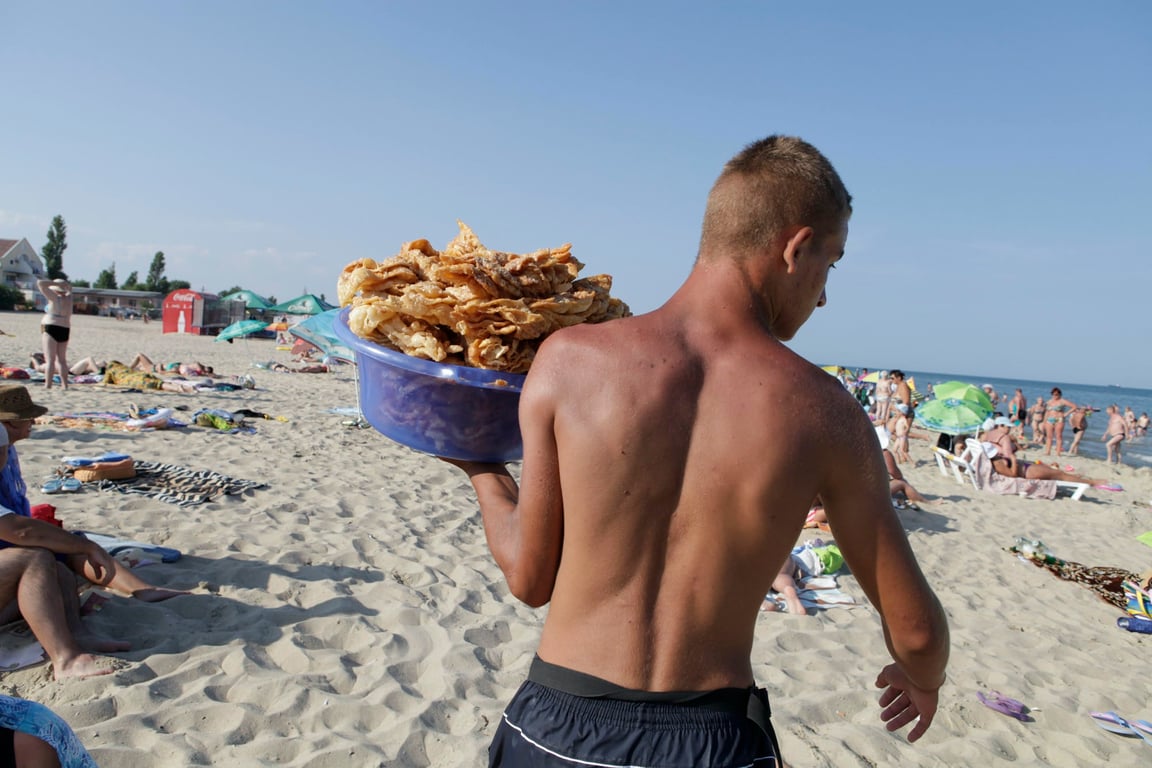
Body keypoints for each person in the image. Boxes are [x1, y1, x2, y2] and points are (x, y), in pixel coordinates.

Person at [444, 135, 949, 765]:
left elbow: (529, 576)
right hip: (712, 743)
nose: (823, 296)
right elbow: (918, 633)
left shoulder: (569, 360)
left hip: (557, 731)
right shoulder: (826, 413)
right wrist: (922, 678)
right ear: (795, 248)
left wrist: (482, 469)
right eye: (832, 263)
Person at [0, 384, 188, 605]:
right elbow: (17, 530)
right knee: (66, 549)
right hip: (9, 536)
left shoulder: (8, 450)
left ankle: (143, 589)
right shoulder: (2, 452)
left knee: (70, 544)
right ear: (8, 424)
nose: (33, 422)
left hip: (10, 528)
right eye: (27, 418)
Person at [37, 279, 73, 391]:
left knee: (50, 359)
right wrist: (65, 286)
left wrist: (56, 284)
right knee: (62, 360)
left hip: (51, 326)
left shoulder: (54, 298)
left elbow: (40, 283)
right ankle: (64, 384)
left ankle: (48, 384)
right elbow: (70, 290)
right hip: (65, 328)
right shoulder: (69, 298)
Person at [1042, 387, 1078, 456]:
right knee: (1049, 436)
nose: (1055, 396)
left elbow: (1074, 406)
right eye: (1053, 394)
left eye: (1056, 394)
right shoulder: (1049, 402)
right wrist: (1044, 421)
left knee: (1058, 436)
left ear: (1060, 394)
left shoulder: (1062, 401)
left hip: (1059, 420)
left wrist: (1066, 414)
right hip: (1049, 420)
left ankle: (1058, 453)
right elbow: (1047, 412)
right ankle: (1047, 452)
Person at [127, 353, 214, 377]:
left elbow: (167, 372)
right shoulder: (190, 367)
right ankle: (129, 369)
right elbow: (198, 365)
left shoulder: (178, 369)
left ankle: (128, 369)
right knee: (138, 368)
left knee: (139, 355)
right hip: (154, 366)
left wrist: (162, 372)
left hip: (154, 368)